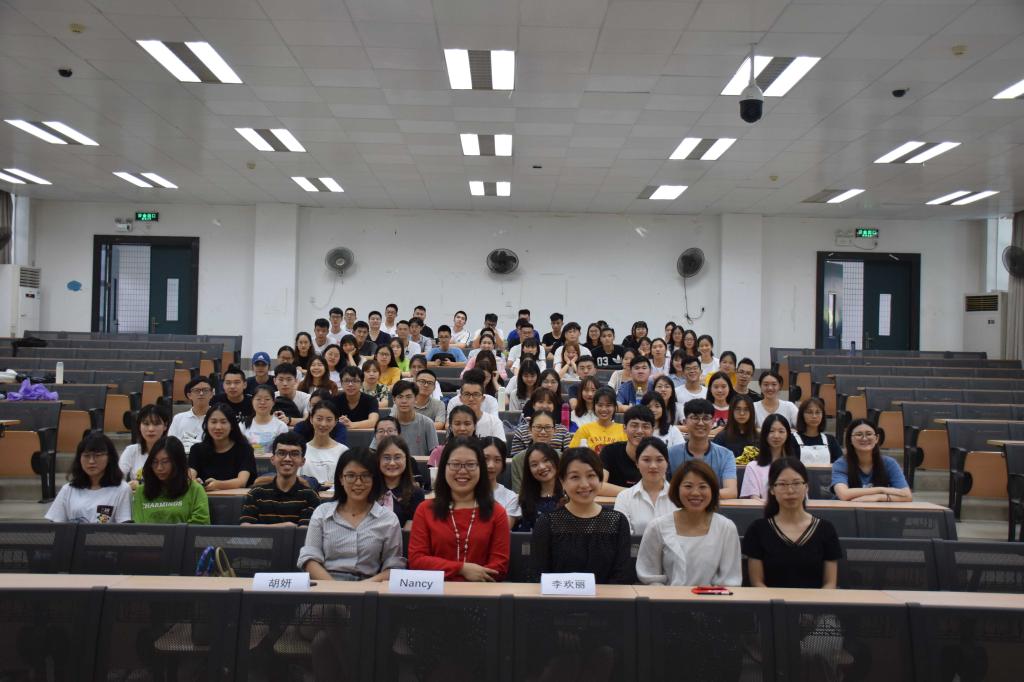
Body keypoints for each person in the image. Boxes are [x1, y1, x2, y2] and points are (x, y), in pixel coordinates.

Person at [408, 437, 510, 581]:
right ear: (444, 468)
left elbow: (499, 567)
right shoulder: (425, 510)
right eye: (455, 464)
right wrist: (461, 569)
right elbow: (417, 561)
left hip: (481, 591)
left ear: (481, 469)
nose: (462, 471)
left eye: (470, 465)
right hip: (435, 591)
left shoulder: (497, 512)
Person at [299, 448, 406, 581]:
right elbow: (310, 559)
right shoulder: (322, 513)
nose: (358, 482)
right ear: (341, 479)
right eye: (351, 476)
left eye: (365, 476)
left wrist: (360, 588)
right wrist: (336, 588)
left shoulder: (388, 519)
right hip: (327, 586)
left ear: (374, 479)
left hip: (368, 586)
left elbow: (393, 567)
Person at [532, 448, 633, 584]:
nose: (584, 484)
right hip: (559, 597)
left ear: (600, 479)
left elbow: (622, 575)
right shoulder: (547, 522)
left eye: (591, 475)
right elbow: (538, 575)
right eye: (575, 477)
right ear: (562, 481)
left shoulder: (617, 521)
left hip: (609, 597)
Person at [636, 459, 742, 586]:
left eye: (703, 487)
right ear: (677, 489)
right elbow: (649, 576)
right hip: (666, 597)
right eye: (688, 486)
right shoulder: (657, 527)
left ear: (713, 490)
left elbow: (730, 580)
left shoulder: (726, 528)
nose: (695, 493)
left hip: (713, 598)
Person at [744, 458, 841, 588]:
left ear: (806, 487)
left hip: (816, 600)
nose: (790, 491)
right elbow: (757, 583)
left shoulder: (826, 529)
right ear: (772, 489)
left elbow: (830, 583)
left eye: (796, 483)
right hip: (771, 600)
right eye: (782, 484)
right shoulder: (758, 530)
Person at [45, 433, 131, 523]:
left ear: (109, 458)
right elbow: (55, 525)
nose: (91, 461)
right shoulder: (68, 489)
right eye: (86, 456)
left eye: (97, 455)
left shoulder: (122, 489)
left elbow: (124, 527)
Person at [239, 432, 321, 526]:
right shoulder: (256, 493)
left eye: (294, 454)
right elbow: (245, 527)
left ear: (302, 461)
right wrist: (286, 526)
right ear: (273, 459)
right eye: (281, 453)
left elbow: (304, 531)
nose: (287, 459)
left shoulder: (310, 496)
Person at [667, 399, 738, 499]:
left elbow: (731, 492)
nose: (700, 423)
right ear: (685, 422)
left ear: (713, 422)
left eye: (706, 418)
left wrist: (697, 495)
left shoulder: (726, 455)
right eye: (695, 418)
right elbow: (662, 488)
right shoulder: (671, 453)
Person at [131, 436, 210, 524]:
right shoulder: (141, 492)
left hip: (183, 534)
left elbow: (200, 524)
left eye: (165, 462)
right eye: (155, 462)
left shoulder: (195, 490)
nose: (159, 468)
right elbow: (138, 527)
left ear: (178, 462)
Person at [832, 419, 912, 502]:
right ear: (850, 439)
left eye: (869, 434)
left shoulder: (889, 463)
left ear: (877, 438)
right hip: (847, 509)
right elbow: (844, 494)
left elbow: (907, 496)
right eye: (859, 434)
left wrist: (879, 497)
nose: (864, 438)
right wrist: (881, 490)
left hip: (878, 509)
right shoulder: (841, 464)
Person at [186, 404, 256, 491]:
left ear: (232, 425)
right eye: (213, 422)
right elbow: (189, 477)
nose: (218, 427)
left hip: (236, 498)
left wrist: (218, 484)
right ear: (206, 424)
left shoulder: (244, 449)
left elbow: (242, 482)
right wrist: (194, 482)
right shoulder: (197, 450)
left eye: (223, 422)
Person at [613, 437, 675, 535]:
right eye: (646, 460)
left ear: (667, 463)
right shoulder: (624, 498)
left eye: (659, 460)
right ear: (637, 463)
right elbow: (623, 538)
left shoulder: (679, 496)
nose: (653, 466)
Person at [740, 414, 800, 500]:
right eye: (771, 431)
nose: (776, 436)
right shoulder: (753, 467)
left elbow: (802, 496)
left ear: (787, 434)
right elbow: (754, 499)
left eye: (781, 431)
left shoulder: (796, 466)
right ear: (764, 434)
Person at [509, 407, 570, 490]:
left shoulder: (562, 459)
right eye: (538, 427)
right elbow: (518, 492)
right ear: (530, 429)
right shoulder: (518, 460)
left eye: (548, 427)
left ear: (554, 430)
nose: (543, 432)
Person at [376, 380, 438, 456]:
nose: (404, 401)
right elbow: (374, 451)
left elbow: (435, 455)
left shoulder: (427, 423)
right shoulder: (385, 424)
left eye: (408, 397)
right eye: (400, 397)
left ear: (416, 399)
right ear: (394, 399)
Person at [376, 435, 425, 528]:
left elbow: (412, 531)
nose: (392, 463)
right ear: (378, 460)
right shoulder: (370, 490)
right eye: (386, 458)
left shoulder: (416, 493)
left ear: (406, 459)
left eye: (397, 457)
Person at [509, 388, 572, 459]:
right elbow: (516, 459)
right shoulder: (521, 431)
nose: (544, 406)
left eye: (549, 402)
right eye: (540, 402)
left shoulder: (563, 431)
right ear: (533, 405)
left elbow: (568, 458)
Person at [118, 404, 170, 488]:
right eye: (146, 424)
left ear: (165, 426)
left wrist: (141, 485)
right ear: (139, 426)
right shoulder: (131, 450)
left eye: (156, 424)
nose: (151, 429)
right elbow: (117, 478)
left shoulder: (173, 450)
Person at [299, 400, 349, 486]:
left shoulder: (343, 451)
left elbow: (347, 481)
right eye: (319, 419)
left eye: (329, 420)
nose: (323, 424)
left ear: (335, 422)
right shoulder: (301, 450)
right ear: (311, 419)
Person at [515, 444, 563, 532]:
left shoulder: (571, 495)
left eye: (546, 460)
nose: (541, 467)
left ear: (555, 460)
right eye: (534, 464)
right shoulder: (524, 501)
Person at [450, 370, 506, 439]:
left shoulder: (494, 422)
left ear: (482, 398)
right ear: (460, 398)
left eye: (476, 394)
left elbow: (501, 445)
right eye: (467, 394)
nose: (471, 399)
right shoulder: (455, 422)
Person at [568, 387, 626, 453]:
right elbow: (571, 454)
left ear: (615, 407)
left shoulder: (623, 430)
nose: (604, 409)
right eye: (600, 405)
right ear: (594, 406)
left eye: (608, 405)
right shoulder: (584, 430)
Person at [481, 437, 521, 524]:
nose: (491, 465)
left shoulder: (511, 498)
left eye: (497, 460)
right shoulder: (462, 493)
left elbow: (503, 528)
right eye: (485, 459)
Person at [168, 376, 214, 451]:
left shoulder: (218, 418)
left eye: (205, 390)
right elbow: (170, 444)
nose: (201, 393)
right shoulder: (178, 418)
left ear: (211, 394)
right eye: (197, 390)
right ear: (189, 395)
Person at [241, 385, 289, 456]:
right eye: (258, 399)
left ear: (273, 402)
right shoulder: (243, 424)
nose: (262, 402)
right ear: (252, 401)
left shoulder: (281, 426)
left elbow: (283, 452)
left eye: (267, 399)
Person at [795, 397, 843, 464]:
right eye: (809, 412)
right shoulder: (792, 439)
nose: (814, 416)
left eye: (818, 412)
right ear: (802, 415)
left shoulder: (831, 440)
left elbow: (840, 464)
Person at [713, 395, 759, 459]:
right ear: (732, 411)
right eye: (738, 409)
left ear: (751, 412)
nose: (742, 413)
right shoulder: (721, 438)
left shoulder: (758, 438)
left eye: (746, 409)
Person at [336, 366, 380, 430]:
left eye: (355, 381)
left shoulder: (371, 400)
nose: (350, 384)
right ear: (341, 383)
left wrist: (351, 424)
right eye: (346, 381)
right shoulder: (335, 400)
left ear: (361, 383)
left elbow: (373, 422)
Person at [706, 371, 735, 436]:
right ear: (710, 389)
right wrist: (711, 432)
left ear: (729, 388)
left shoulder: (735, 409)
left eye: (723, 386)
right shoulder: (704, 409)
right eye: (716, 387)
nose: (720, 390)